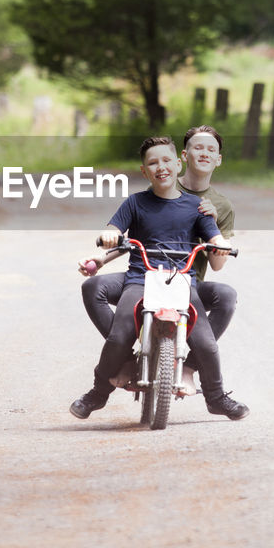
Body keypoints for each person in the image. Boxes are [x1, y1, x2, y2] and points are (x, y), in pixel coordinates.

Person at [70, 136, 249, 421]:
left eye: (166, 161)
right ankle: (99, 392)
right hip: (141, 279)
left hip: (181, 280)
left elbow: (214, 238)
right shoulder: (136, 203)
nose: (161, 167)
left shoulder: (197, 207)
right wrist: (109, 238)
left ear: (178, 164)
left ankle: (215, 397)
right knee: (118, 335)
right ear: (144, 171)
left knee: (206, 344)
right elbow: (114, 230)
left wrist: (219, 241)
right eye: (153, 163)